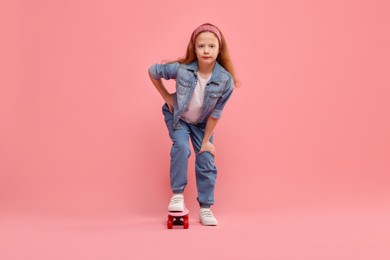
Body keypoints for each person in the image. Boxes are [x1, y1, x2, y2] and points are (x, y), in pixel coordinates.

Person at [148, 23, 238, 226]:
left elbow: (216, 114)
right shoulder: (182, 70)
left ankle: (205, 208)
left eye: (211, 46)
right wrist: (166, 96)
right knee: (181, 147)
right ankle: (177, 195)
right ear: (194, 48)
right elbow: (153, 71)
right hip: (178, 117)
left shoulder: (225, 81)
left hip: (202, 124)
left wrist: (206, 141)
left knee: (206, 159)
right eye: (201, 46)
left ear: (219, 49)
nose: (206, 50)